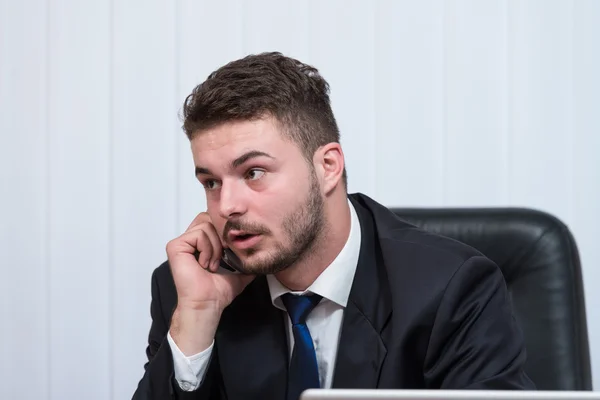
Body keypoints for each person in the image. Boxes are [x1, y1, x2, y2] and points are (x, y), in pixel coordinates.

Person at [133, 52, 535, 400]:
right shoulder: (189, 292)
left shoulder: (451, 288)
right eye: (211, 183)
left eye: (254, 172)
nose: (227, 206)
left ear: (328, 167)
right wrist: (198, 316)